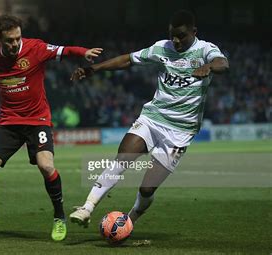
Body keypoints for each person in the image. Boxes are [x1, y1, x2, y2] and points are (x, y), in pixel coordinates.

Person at [0, 14, 102, 241]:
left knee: (46, 166)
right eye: (9, 40)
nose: (15, 43)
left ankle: (59, 217)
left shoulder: (35, 48)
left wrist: (83, 52)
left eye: (17, 38)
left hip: (37, 120)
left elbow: (63, 50)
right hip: (9, 122)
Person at [69, 10, 229, 227]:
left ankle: (130, 219)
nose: (176, 40)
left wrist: (209, 66)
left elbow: (223, 64)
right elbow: (128, 59)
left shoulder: (205, 50)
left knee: (147, 189)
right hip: (153, 118)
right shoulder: (162, 48)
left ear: (194, 32)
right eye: (172, 35)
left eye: (181, 35)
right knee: (123, 157)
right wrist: (94, 69)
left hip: (181, 130)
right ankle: (87, 207)